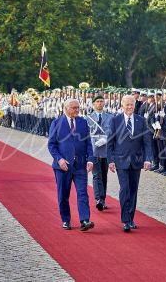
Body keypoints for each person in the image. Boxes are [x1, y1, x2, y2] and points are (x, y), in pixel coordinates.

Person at [47, 98, 95, 232]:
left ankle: (85, 220)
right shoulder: (56, 123)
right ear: (66, 108)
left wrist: (90, 159)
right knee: (63, 194)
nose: (77, 110)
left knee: (82, 193)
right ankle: (66, 220)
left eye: (78, 108)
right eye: (74, 108)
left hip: (80, 165)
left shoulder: (83, 123)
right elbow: (51, 145)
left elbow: (88, 143)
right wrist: (59, 159)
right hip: (63, 167)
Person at [107, 95, 153, 232]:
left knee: (133, 190)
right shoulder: (115, 120)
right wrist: (110, 161)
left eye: (131, 105)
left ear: (135, 105)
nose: (129, 107)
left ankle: (131, 218)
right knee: (125, 189)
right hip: (120, 160)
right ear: (122, 105)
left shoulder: (141, 120)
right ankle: (125, 220)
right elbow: (110, 143)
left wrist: (147, 159)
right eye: (127, 105)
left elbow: (147, 142)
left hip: (136, 161)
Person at [86, 95, 113, 212]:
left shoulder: (110, 117)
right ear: (93, 104)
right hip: (94, 149)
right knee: (96, 175)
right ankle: (98, 200)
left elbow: (112, 130)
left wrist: (106, 138)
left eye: (102, 101)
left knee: (104, 175)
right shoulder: (88, 117)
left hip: (106, 149)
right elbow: (86, 134)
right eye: (97, 101)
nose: (100, 103)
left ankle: (103, 198)